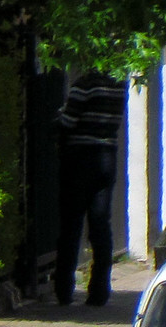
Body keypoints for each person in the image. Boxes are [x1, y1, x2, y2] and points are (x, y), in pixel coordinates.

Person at [55, 70, 128, 307]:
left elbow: (68, 122)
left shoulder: (83, 85)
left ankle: (64, 289)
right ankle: (99, 290)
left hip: (80, 158)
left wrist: (57, 117)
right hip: (107, 157)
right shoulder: (119, 85)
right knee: (100, 224)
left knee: (72, 223)